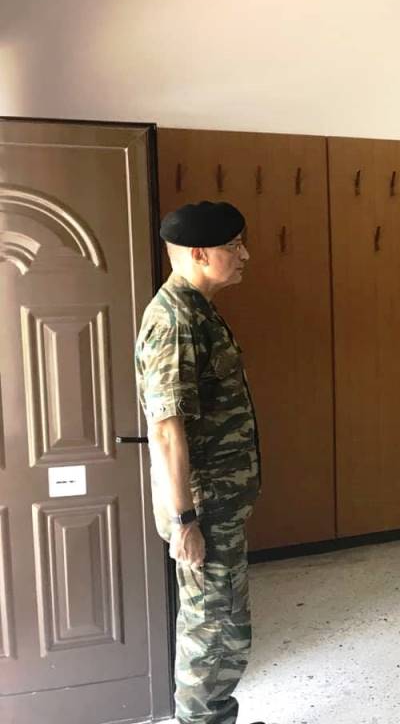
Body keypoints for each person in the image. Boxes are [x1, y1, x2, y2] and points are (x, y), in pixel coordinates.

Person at [134, 200, 264, 724]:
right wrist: (185, 520)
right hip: (202, 508)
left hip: (217, 505)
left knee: (225, 627)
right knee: (212, 630)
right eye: (234, 246)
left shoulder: (197, 309)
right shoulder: (177, 321)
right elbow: (167, 430)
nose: (245, 255)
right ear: (199, 253)